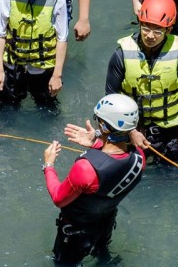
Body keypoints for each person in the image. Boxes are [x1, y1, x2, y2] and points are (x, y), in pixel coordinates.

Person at [43, 94, 145, 264]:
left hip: (76, 235)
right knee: (102, 255)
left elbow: (58, 199)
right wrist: (97, 143)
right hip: (105, 223)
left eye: (98, 120)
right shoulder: (139, 158)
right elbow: (115, 162)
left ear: (104, 126)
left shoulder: (86, 169)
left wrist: (48, 165)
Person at [105, 0, 178, 163]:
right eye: (146, 27)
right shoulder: (121, 55)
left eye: (157, 30)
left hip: (170, 130)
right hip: (131, 127)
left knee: (170, 177)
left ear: (168, 29)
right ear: (139, 23)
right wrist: (131, 131)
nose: (149, 35)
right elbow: (111, 96)